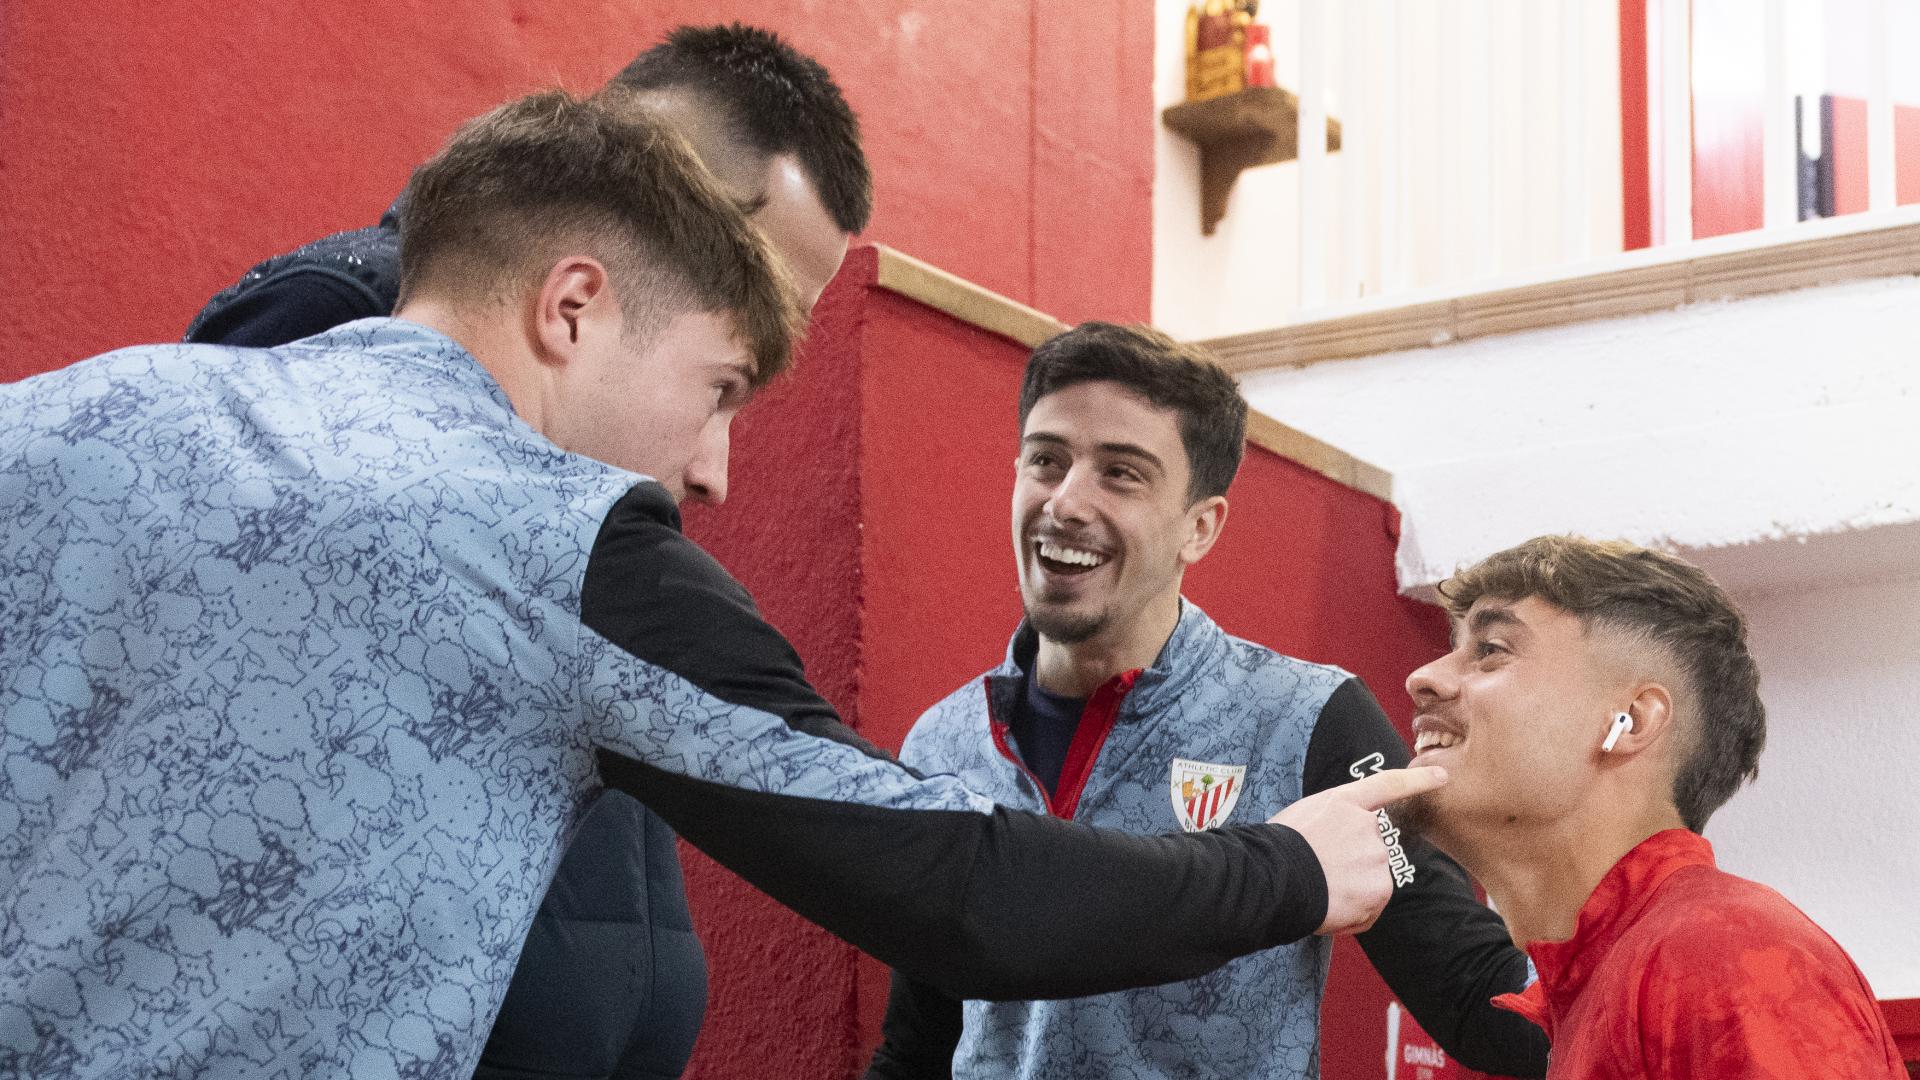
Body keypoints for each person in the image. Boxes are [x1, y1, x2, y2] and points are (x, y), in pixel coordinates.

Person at [0, 91, 1442, 1079]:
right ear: (573, 307)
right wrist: (1291, 865)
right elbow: (959, 891)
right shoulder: (566, 545)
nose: (714, 468)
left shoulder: (57, 416)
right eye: (719, 389)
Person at [183, 26, 870, 1079]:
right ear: (652, 172)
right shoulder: (341, 318)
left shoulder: (631, 398)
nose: (759, 330)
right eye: (752, 276)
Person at [865, 323, 1548, 1080]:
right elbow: (920, 1046)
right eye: (1046, 460)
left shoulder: (1310, 720)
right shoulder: (944, 742)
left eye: (1121, 473)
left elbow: (1481, 1000)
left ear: (1200, 526)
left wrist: (1625, 894)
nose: (1065, 501)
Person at [1396, 536, 1905, 1078]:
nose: (1422, 678)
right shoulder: (1607, 988)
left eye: (1491, 649)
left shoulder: (1720, 950)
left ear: (1631, 722)